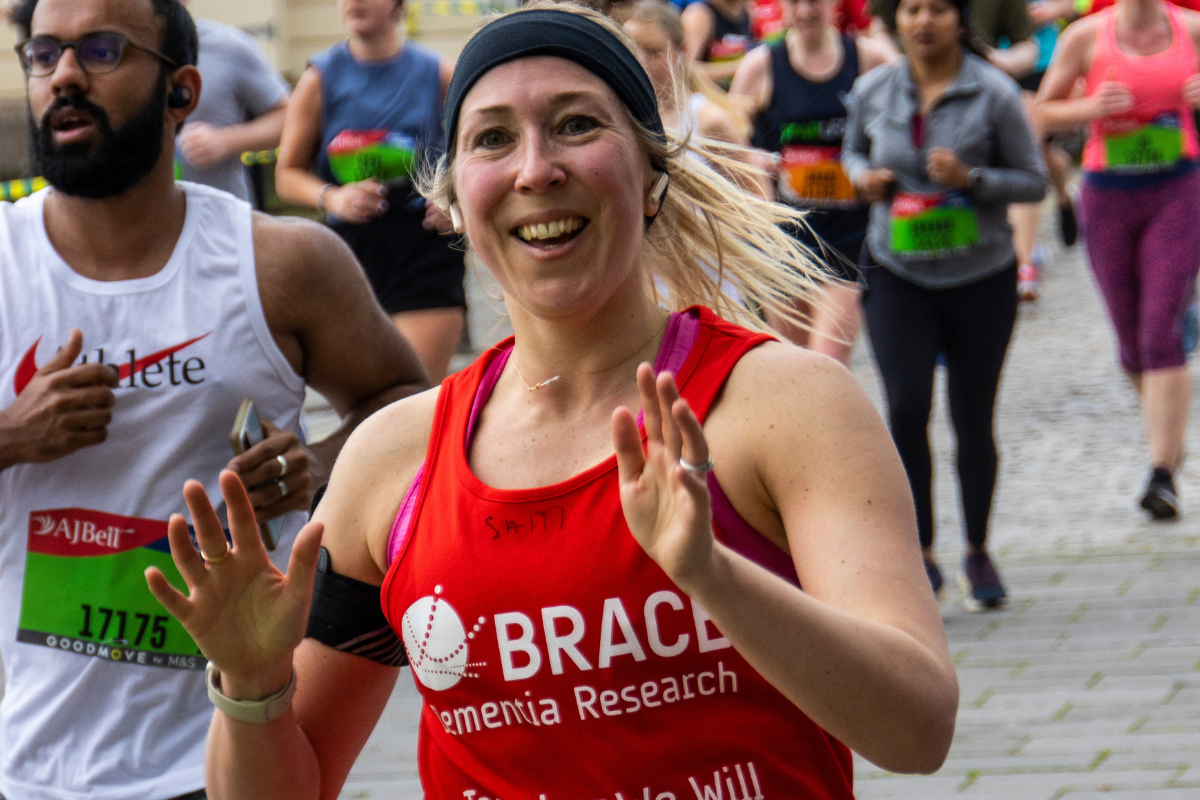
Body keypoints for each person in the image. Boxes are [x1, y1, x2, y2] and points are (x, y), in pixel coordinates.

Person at [148, 4, 959, 798]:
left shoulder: (785, 402)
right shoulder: (394, 460)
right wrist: (251, 686)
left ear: (650, 176)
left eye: (576, 125)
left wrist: (713, 576)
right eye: (493, 138)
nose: (537, 169)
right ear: (456, 203)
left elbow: (916, 729)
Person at [0, 0, 429, 798]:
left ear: (182, 92)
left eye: (100, 50)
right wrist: (12, 434)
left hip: (235, 758)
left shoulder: (282, 263)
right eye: (43, 53)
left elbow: (406, 404)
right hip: (37, 765)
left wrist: (317, 466)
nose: (62, 75)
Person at [842, 0, 1046, 609]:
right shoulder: (874, 88)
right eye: (911, 9)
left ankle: (978, 552)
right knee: (905, 408)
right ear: (895, 20)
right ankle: (921, 553)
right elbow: (852, 152)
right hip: (896, 271)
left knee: (971, 416)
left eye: (936, 9)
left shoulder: (994, 93)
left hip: (980, 275)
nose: (923, 21)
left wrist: (972, 180)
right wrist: (863, 178)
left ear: (961, 21)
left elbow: (1032, 179)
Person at [1036, 0, 1200, 519]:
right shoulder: (1086, 37)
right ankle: (1167, 435)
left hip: (1179, 189)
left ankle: (1160, 472)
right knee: (1131, 344)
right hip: (1108, 197)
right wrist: (1087, 110)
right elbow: (1041, 111)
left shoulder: (1192, 29)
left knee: (1160, 329)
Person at [274, 0, 464, 382]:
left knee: (415, 392)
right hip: (349, 252)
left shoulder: (440, 73)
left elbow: (480, 157)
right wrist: (333, 197)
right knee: (365, 400)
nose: (353, 1)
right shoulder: (319, 78)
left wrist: (454, 201)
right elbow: (287, 175)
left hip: (422, 245)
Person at [731, 0, 893, 364]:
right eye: (795, 2)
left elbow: (909, 125)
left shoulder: (871, 59)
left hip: (850, 239)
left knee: (827, 363)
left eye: (815, 2)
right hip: (784, 239)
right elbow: (728, 143)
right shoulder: (760, 66)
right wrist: (753, 160)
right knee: (792, 366)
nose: (805, 11)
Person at [175, 0, 290, 203]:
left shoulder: (227, 46)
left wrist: (224, 141)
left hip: (221, 222)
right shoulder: (116, 53)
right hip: (137, 227)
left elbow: (289, 119)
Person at [682, 0, 757, 88]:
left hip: (737, 96)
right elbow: (684, 69)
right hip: (707, 97)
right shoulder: (699, 14)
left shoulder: (750, 13)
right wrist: (741, 67)